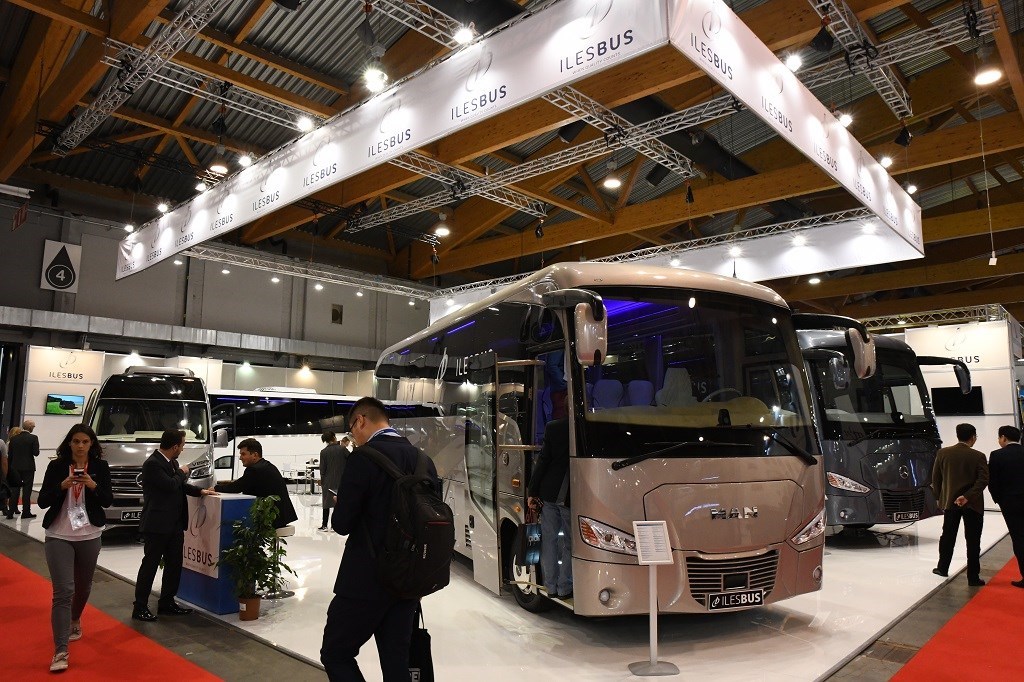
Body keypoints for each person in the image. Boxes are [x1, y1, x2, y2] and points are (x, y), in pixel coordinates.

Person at [321, 397, 439, 681]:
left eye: (352, 429)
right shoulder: (423, 460)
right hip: (409, 580)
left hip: (365, 579)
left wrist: (341, 502)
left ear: (360, 420)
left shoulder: (362, 458)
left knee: (336, 653)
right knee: (396, 662)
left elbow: (342, 524)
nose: (354, 437)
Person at [36, 424, 113, 673]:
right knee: (63, 591)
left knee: (83, 585)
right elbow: (42, 501)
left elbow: (108, 500)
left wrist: (92, 485)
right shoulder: (57, 467)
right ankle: (60, 650)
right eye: (76, 441)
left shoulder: (100, 467)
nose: (80, 446)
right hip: (58, 534)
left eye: (85, 442)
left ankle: (75, 618)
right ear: (69, 443)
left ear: (92, 445)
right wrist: (61, 486)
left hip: (89, 533)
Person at [132, 430, 215, 622]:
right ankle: (140, 606)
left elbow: (180, 486)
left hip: (175, 524)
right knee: (150, 565)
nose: (183, 449)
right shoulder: (152, 464)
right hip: (157, 524)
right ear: (175, 446)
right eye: (182, 445)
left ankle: (167, 602)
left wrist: (200, 491)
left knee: (174, 565)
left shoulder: (172, 463)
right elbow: (170, 484)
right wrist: (181, 472)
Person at [932, 423, 989, 586]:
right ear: (973, 437)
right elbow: (983, 480)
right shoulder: (978, 456)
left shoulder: (943, 453)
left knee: (947, 536)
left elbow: (936, 478)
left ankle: (942, 568)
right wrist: (967, 496)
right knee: (973, 540)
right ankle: (973, 577)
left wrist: (939, 497)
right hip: (973, 504)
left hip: (950, 503)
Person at [527, 413, 573, 599]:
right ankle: (564, 587)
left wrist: (532, 491)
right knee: (570, 543)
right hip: (570, 494)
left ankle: (551, 587)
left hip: (549, 492)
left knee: (549, 540)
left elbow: (543, 460)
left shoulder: (554, 427)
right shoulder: (586, 427)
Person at [213, 438, 297, 528]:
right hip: (282, 517)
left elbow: (237, 487)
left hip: (272, 520)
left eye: (243, 454)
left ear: (255, 455)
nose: (240, 458)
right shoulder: (266, 465)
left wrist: (215, 488)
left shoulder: (254, 469)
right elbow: (243, 482)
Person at [988, 424, 1024, 588]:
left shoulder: (997, 455)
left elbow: (993, 482)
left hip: (1010, 503)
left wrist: (999, 500)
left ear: (1003, 438)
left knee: (1019, 538)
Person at [9, 419, 40, 518]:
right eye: (33, 426)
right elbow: (36, 453)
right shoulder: (33, 438)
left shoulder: (14, 439)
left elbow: (10, 455)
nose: (33, 428)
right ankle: (26, 512)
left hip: (15, 467)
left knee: (15, 490)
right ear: (30, 427)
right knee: (27, 491)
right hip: (28, 467)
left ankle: (10, 512)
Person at [318, 431, 348, 531]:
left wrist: (322, 481)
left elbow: (322, 469)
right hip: (341, 480)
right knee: (338, 503)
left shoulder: (323, 452)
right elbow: (351, 460)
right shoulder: (342, 449)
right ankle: (335, 525)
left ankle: (324, 525)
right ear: (334, 437)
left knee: (326, 503)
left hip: (328, 481)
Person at [4, 426, 23, 517]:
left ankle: (13, 507)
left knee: (16, 487)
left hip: (14, 466)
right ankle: (7, 507)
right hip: (11, 467)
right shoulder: (9, 443)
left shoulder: (12, 443)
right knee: (10, 487)